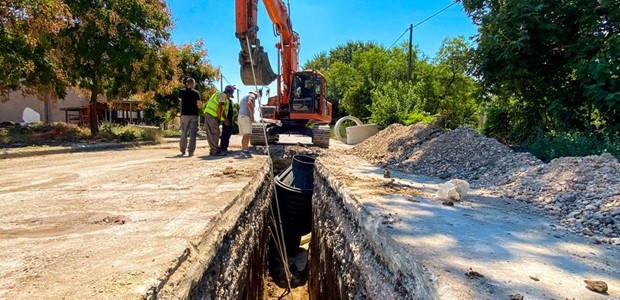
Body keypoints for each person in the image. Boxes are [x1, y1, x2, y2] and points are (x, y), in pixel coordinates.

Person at [204, 85, 235, 156]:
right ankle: (214, 150)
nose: (230, 97)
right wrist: (219, 118)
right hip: (212, 115)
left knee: (214, 132)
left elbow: (222, 109)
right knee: (215, 132)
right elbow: (220, 106)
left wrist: (224, 118)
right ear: (229, 93)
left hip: (209, 113)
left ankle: (214, 149)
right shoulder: (223, 95)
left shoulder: (219, 93)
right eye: (231, 95)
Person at [178, 78, 200, 156]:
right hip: (194, 114)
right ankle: (191, 151)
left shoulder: (181, 91)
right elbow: (198, 104)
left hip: (184, 114)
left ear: (186, 83)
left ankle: (182, 149)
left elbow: (180, 100)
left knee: (184, 132)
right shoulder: (196, 93)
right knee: (193, 134)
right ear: (193, 83)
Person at [238, 90, 258, 156]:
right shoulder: (252, 96)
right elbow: (249, 103)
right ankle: (245, 151)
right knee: (247, 134)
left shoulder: (244, 97)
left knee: (245, 135)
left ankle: (244, 150)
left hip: (241, 116)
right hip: (245, 117)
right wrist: (252, 115)